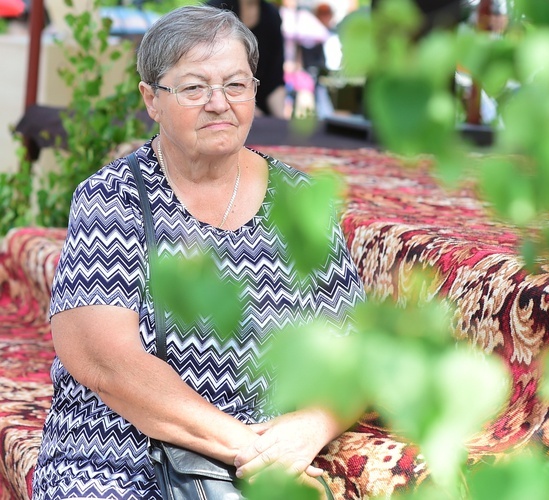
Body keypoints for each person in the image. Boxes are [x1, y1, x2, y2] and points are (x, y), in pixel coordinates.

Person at [32, 5, 366, 499]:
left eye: (236, 85)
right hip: (120, 459)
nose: (218, 103)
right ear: (152, 99)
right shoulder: (112, 198)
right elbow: (108, 363)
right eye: (194, 88)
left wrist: (313, 425)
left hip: (262, 461)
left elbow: (358, 351)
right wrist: (248, 448)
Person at [207, 0, 288, 118]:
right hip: (220, 105)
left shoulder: (271, 15)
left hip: (261, 115)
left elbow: (274, 79)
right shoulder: (214, 11)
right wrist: (250, 110)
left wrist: (280, 121)